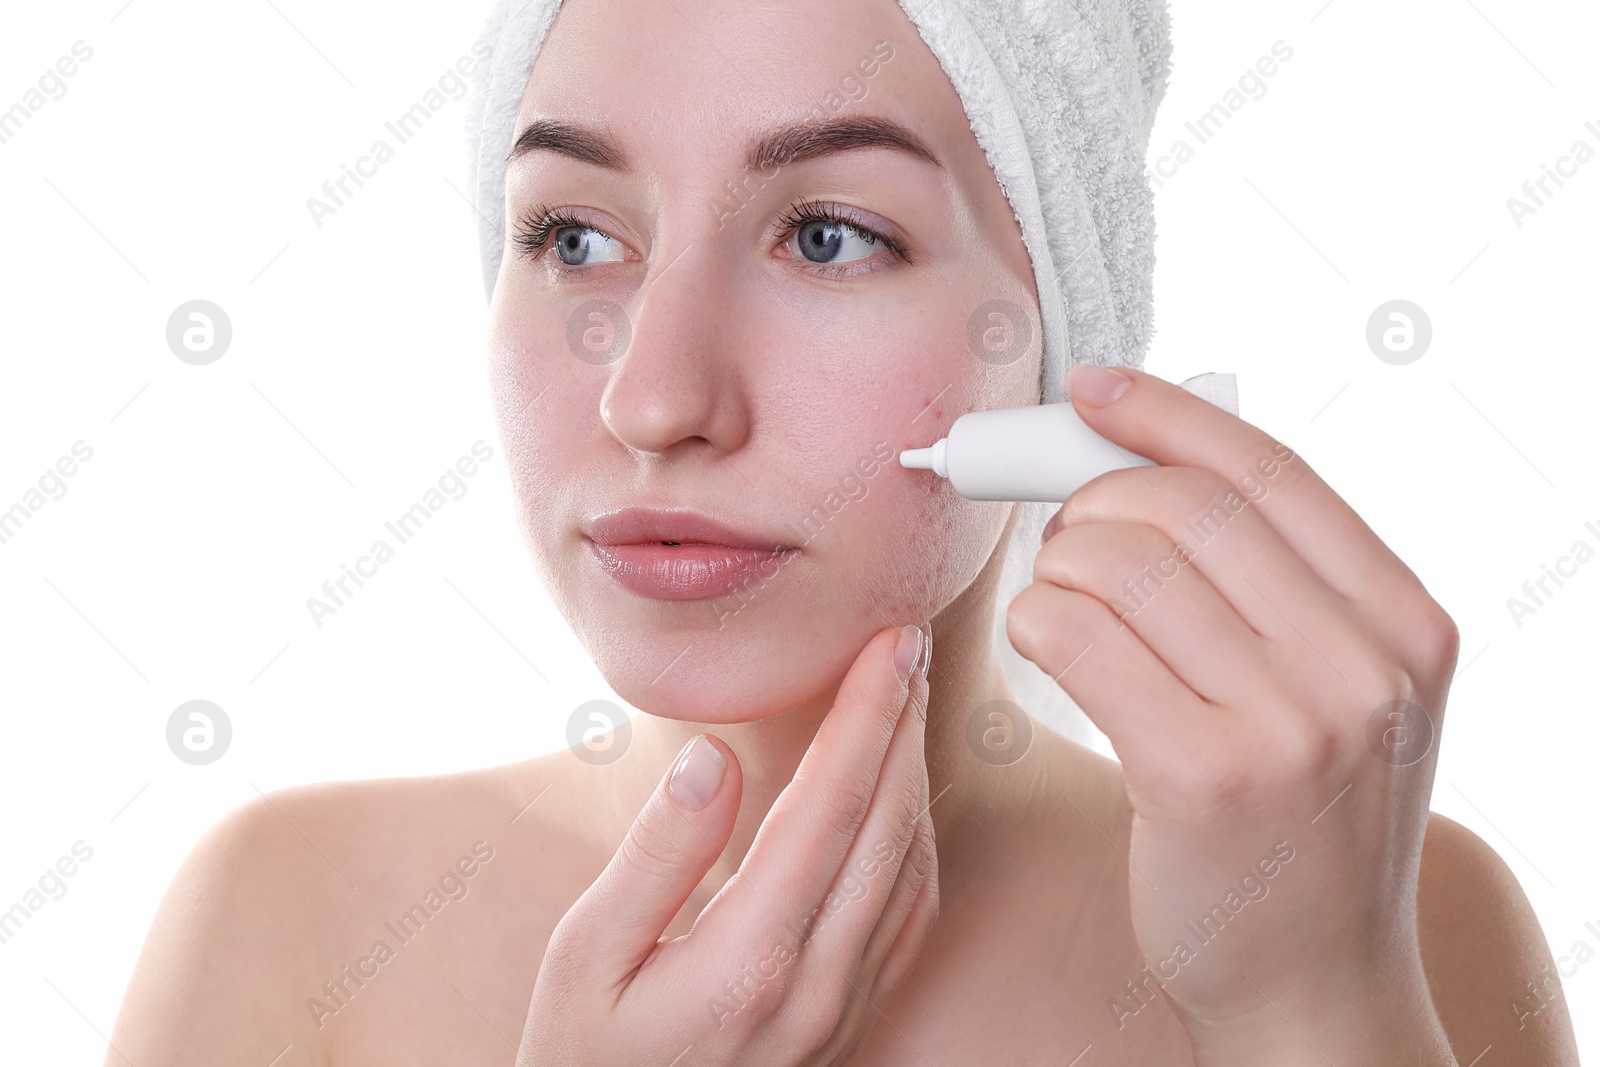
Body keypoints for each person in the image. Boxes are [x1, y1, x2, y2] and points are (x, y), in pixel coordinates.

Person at [104, 0, 1581, 1063]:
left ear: (1059, 332)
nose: (655, 396)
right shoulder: (288, 921)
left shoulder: (1389, 919)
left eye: (827, 235)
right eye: (573, 236)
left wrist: (1304, 1012)